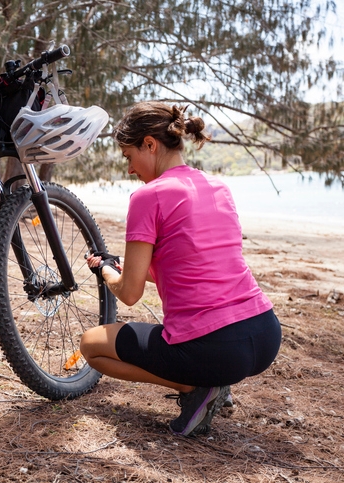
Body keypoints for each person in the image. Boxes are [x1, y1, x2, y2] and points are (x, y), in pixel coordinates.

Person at [80, 102, 281, 437]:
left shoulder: (147, 196)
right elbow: (193, 264)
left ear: (149, 144)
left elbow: (129, 294)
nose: (130, 170)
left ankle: (196, 388)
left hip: (214, 348)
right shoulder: (218, 187)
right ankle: (212, 382)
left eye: (129, 157)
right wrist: (129, 266)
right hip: (264, 334)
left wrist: (106, 272)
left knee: (91, 346)